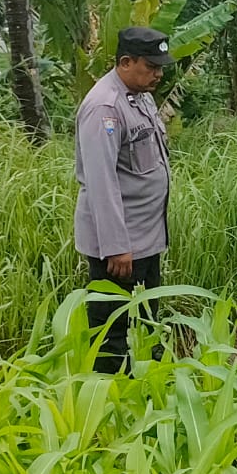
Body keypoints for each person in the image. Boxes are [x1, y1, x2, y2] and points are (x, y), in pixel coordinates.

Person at [74, 26, 172, 374]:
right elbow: (101, 182)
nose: (158, 74)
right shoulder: (104, 107)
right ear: (126, 62)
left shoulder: (141, 96)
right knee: (111, 332)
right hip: (120, 249)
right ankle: (106, 394)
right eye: (151, 66)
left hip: (146, 239)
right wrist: (116, 247)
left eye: (160, 67)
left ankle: (145, 389)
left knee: (147, 323)